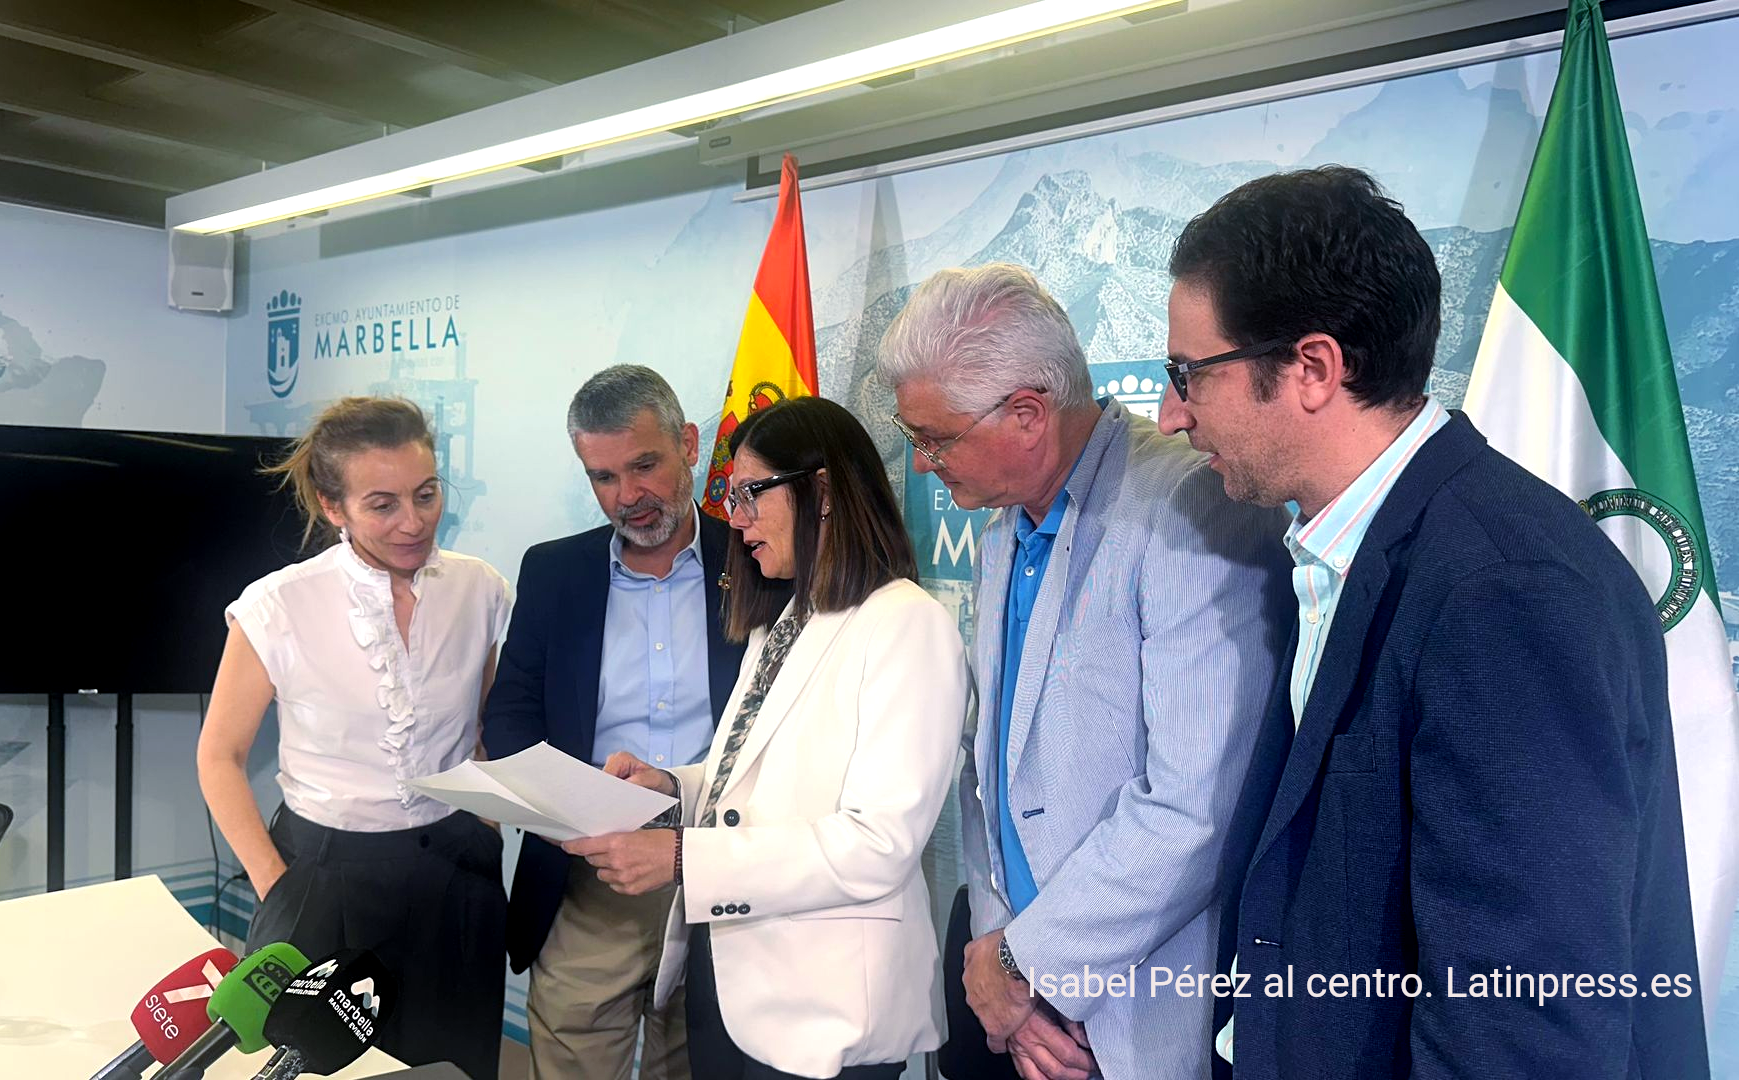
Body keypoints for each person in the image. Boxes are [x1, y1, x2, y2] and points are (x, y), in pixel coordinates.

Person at [1158, 166, 1708, 1077]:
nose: (1171, 414)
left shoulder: (1504, 589)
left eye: (1189, 374)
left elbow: (1523, 1021)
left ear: (1312, 369)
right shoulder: (1354, 552)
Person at [878, 262, 1290, 1080]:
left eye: (936, 438)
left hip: (1140, 1014)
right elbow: (991, 781)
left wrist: (1025, 964)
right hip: (1021, 1011)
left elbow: (1195, 809)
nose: (922, 464)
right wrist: (1000, 964)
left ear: (1028, 414)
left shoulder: (1193, 507)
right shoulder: (1002, 528)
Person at [564, 395, 971, 1080]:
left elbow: (878, 843)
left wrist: (684, 858)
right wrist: (673, 786)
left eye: (751, 493)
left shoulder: (906, 623)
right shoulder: (786, 616)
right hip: (727, 978)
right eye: (731, 496)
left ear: (823, 492)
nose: (735, 518)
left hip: (825, 1009)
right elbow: (754, 779)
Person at [196, 396, 512, 1078]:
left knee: (454, 1068)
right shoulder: (277, 605)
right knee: (314, 1067)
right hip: (322, 877)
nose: (414, 521)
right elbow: (219, 756)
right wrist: (278, 886)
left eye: (425, 494)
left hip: (455, 875)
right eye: (383, 505)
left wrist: (485, 829)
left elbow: (487, 726)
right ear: (332, 505)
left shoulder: (479, 589)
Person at [484, 365, 746, 1080]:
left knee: (694, 1066)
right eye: (603, 477)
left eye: (644, 465)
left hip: (716, 872)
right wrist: (555, 807)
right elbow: (509, 712)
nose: (627, 496)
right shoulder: (555, 572)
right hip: (588, 878)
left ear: (688, 444)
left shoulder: (755, 560)